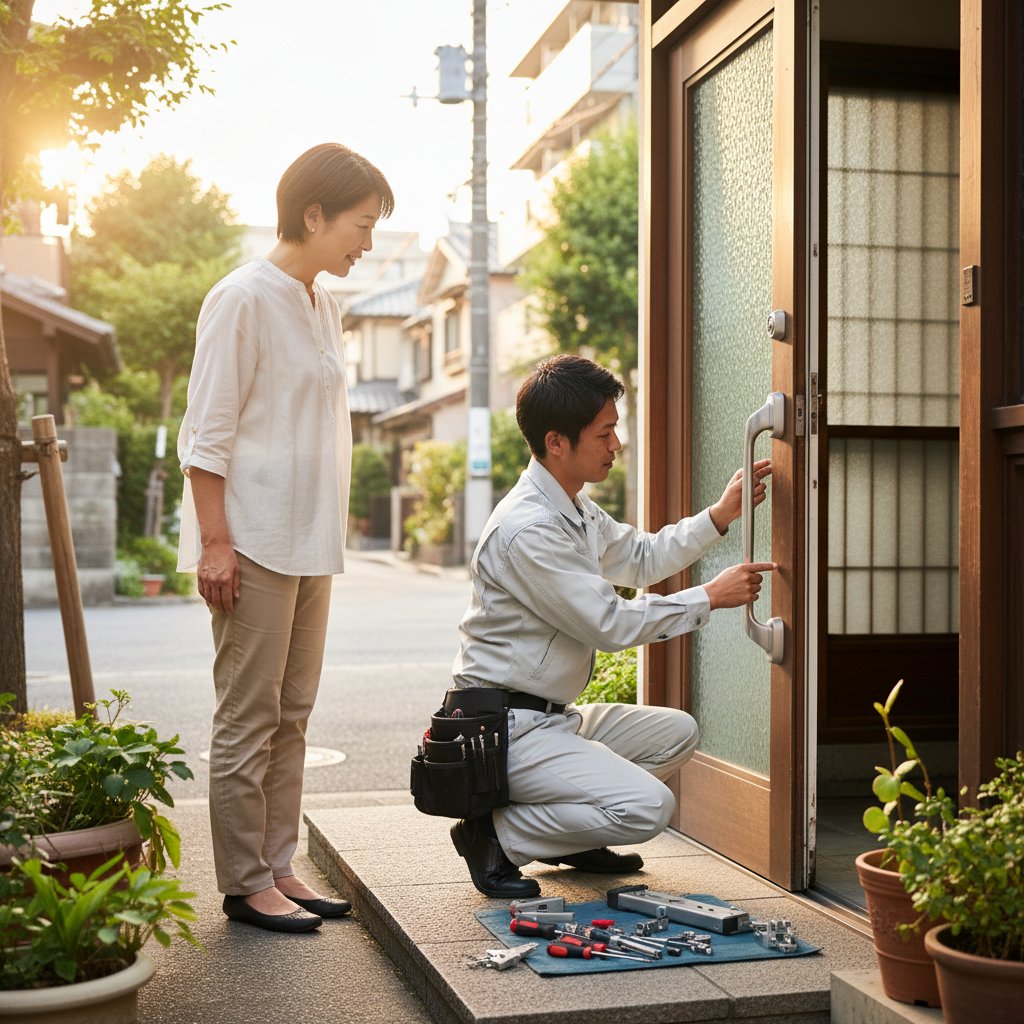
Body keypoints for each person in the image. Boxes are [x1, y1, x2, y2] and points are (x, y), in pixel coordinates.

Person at [446, 354, 775, 898]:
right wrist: (708, 598)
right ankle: (498, 836)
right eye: (605, 433)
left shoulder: (572, 507)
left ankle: (567, 840)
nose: (616, 444)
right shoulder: (528, 529)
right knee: (651, 807)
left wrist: (720, 514)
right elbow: (608, 624)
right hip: (504, 730)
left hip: (550, 718)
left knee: (678, 734)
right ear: (557, 442)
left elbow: (642, 557)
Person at [176, 143, 394, 932]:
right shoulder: (241, 298)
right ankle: (243, 882)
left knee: (293, 712)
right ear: (314, 215)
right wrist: (215, 544)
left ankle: (277, 863)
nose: (365, 244)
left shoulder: (321, 303)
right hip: (253, 540)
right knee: (248, 717)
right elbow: (206, 434)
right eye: (360, 226)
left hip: (309, 542)